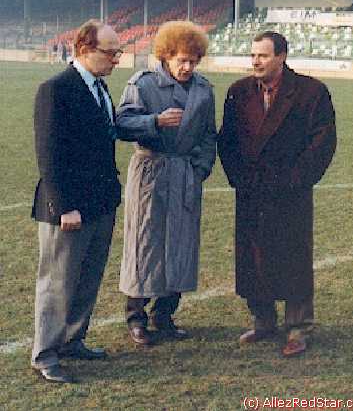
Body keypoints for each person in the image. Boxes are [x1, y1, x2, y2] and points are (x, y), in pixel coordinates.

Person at [218, 31, 336, 357]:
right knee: (253, 256)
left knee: (293, 255)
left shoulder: (311, 92)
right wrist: (240, 179)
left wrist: (294, 180)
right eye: (253, 55)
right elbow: (227, 140)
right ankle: (263, 320)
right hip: (252, 191)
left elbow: (322, 143)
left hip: (290, 192)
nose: (255, 61)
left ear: (281, 56)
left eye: (263, 55)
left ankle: (298, 326)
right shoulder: (238, 92)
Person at [31, 19, 125, 383]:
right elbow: (49, 154)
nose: (117, 59)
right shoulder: (56, 89)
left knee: (87, 278)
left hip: (101, 204)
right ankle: (46, 353)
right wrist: (62, 206)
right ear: (85, 50)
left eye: (118, 51)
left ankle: (73, 339)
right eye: (110, 52)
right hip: (68, 208)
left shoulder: (100, 89)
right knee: (57, 282)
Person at [116, 20, 217, 346]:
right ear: (166, 56)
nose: (187, 67)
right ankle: (136, 316)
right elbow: (121, 123)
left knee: (181, 243)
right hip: (151, 172)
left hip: (185, 174)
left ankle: (165, 314)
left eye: (193, 61)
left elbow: (208, 135)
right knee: (145, 242)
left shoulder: (203, 90)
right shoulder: (143, 84)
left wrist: (199, 168)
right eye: (181, 60)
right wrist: (154, 122)